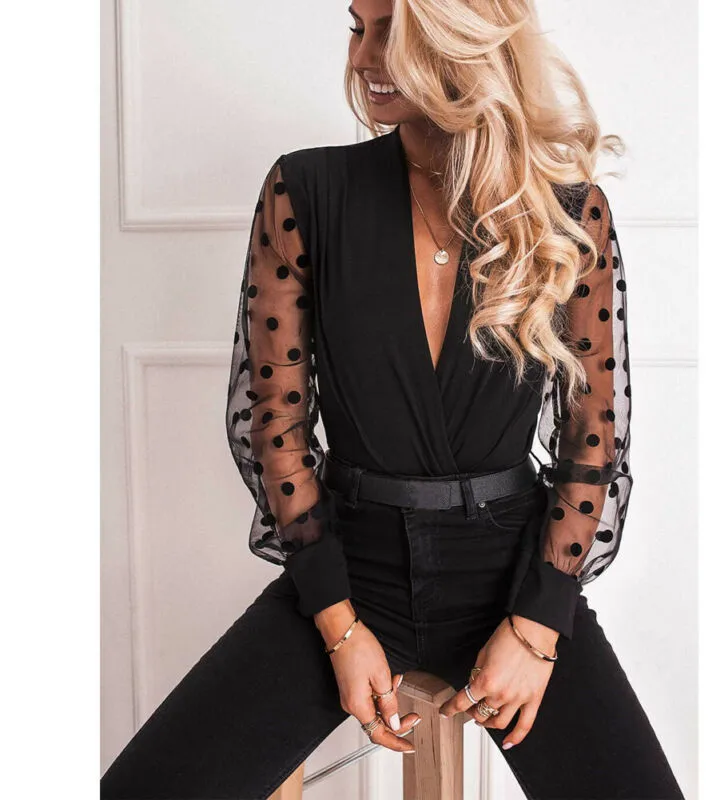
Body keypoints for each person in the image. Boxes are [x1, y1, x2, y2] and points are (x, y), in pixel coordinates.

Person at [101, 1, 686, 797]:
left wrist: (538, 626)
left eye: (393, 31)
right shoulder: (306, 189)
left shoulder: (564, 209)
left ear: (461, 39)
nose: (364, 56)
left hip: (512, 574)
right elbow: (275, 424)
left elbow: (594, 438)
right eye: (358, 26)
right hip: (349, 566)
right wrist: (338, 626)